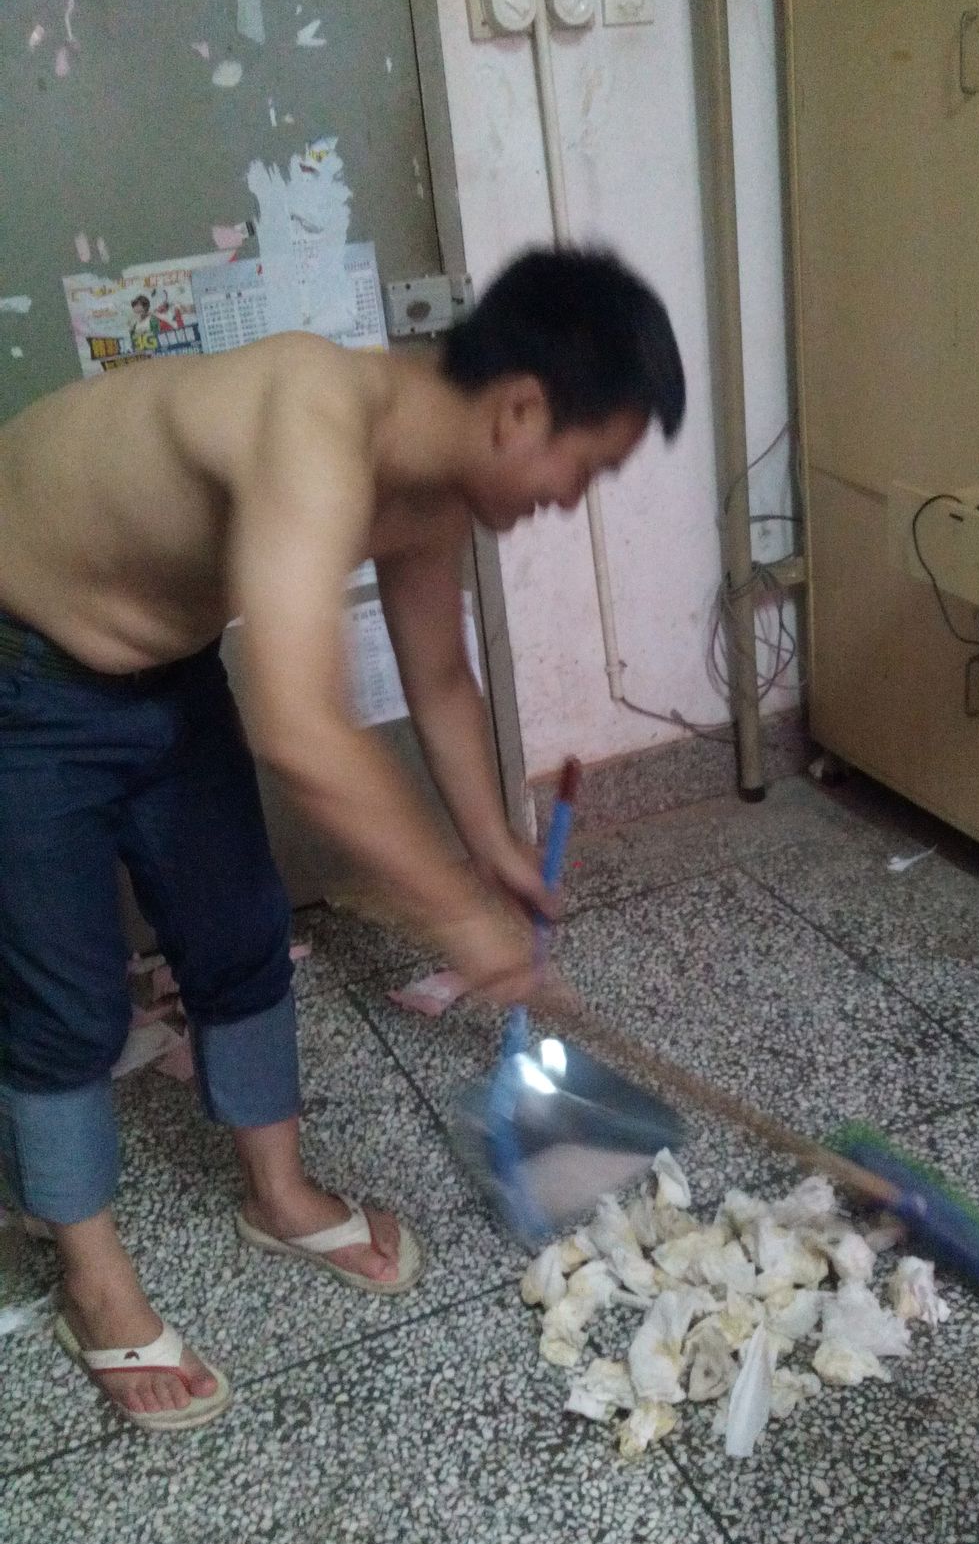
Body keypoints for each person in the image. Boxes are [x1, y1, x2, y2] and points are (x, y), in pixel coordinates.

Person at [0, 247, 686, 1430]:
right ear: (521, 409)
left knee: (239, 931)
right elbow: (300, 723)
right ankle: (94, 1278)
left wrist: (491, 846)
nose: (570, 499)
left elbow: (441, 680)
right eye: (585, 467)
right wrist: (458, 916)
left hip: (166, 674)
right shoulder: (314, 411)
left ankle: (276, 1192)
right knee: (65, 997)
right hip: (21, 667)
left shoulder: (433, 489)